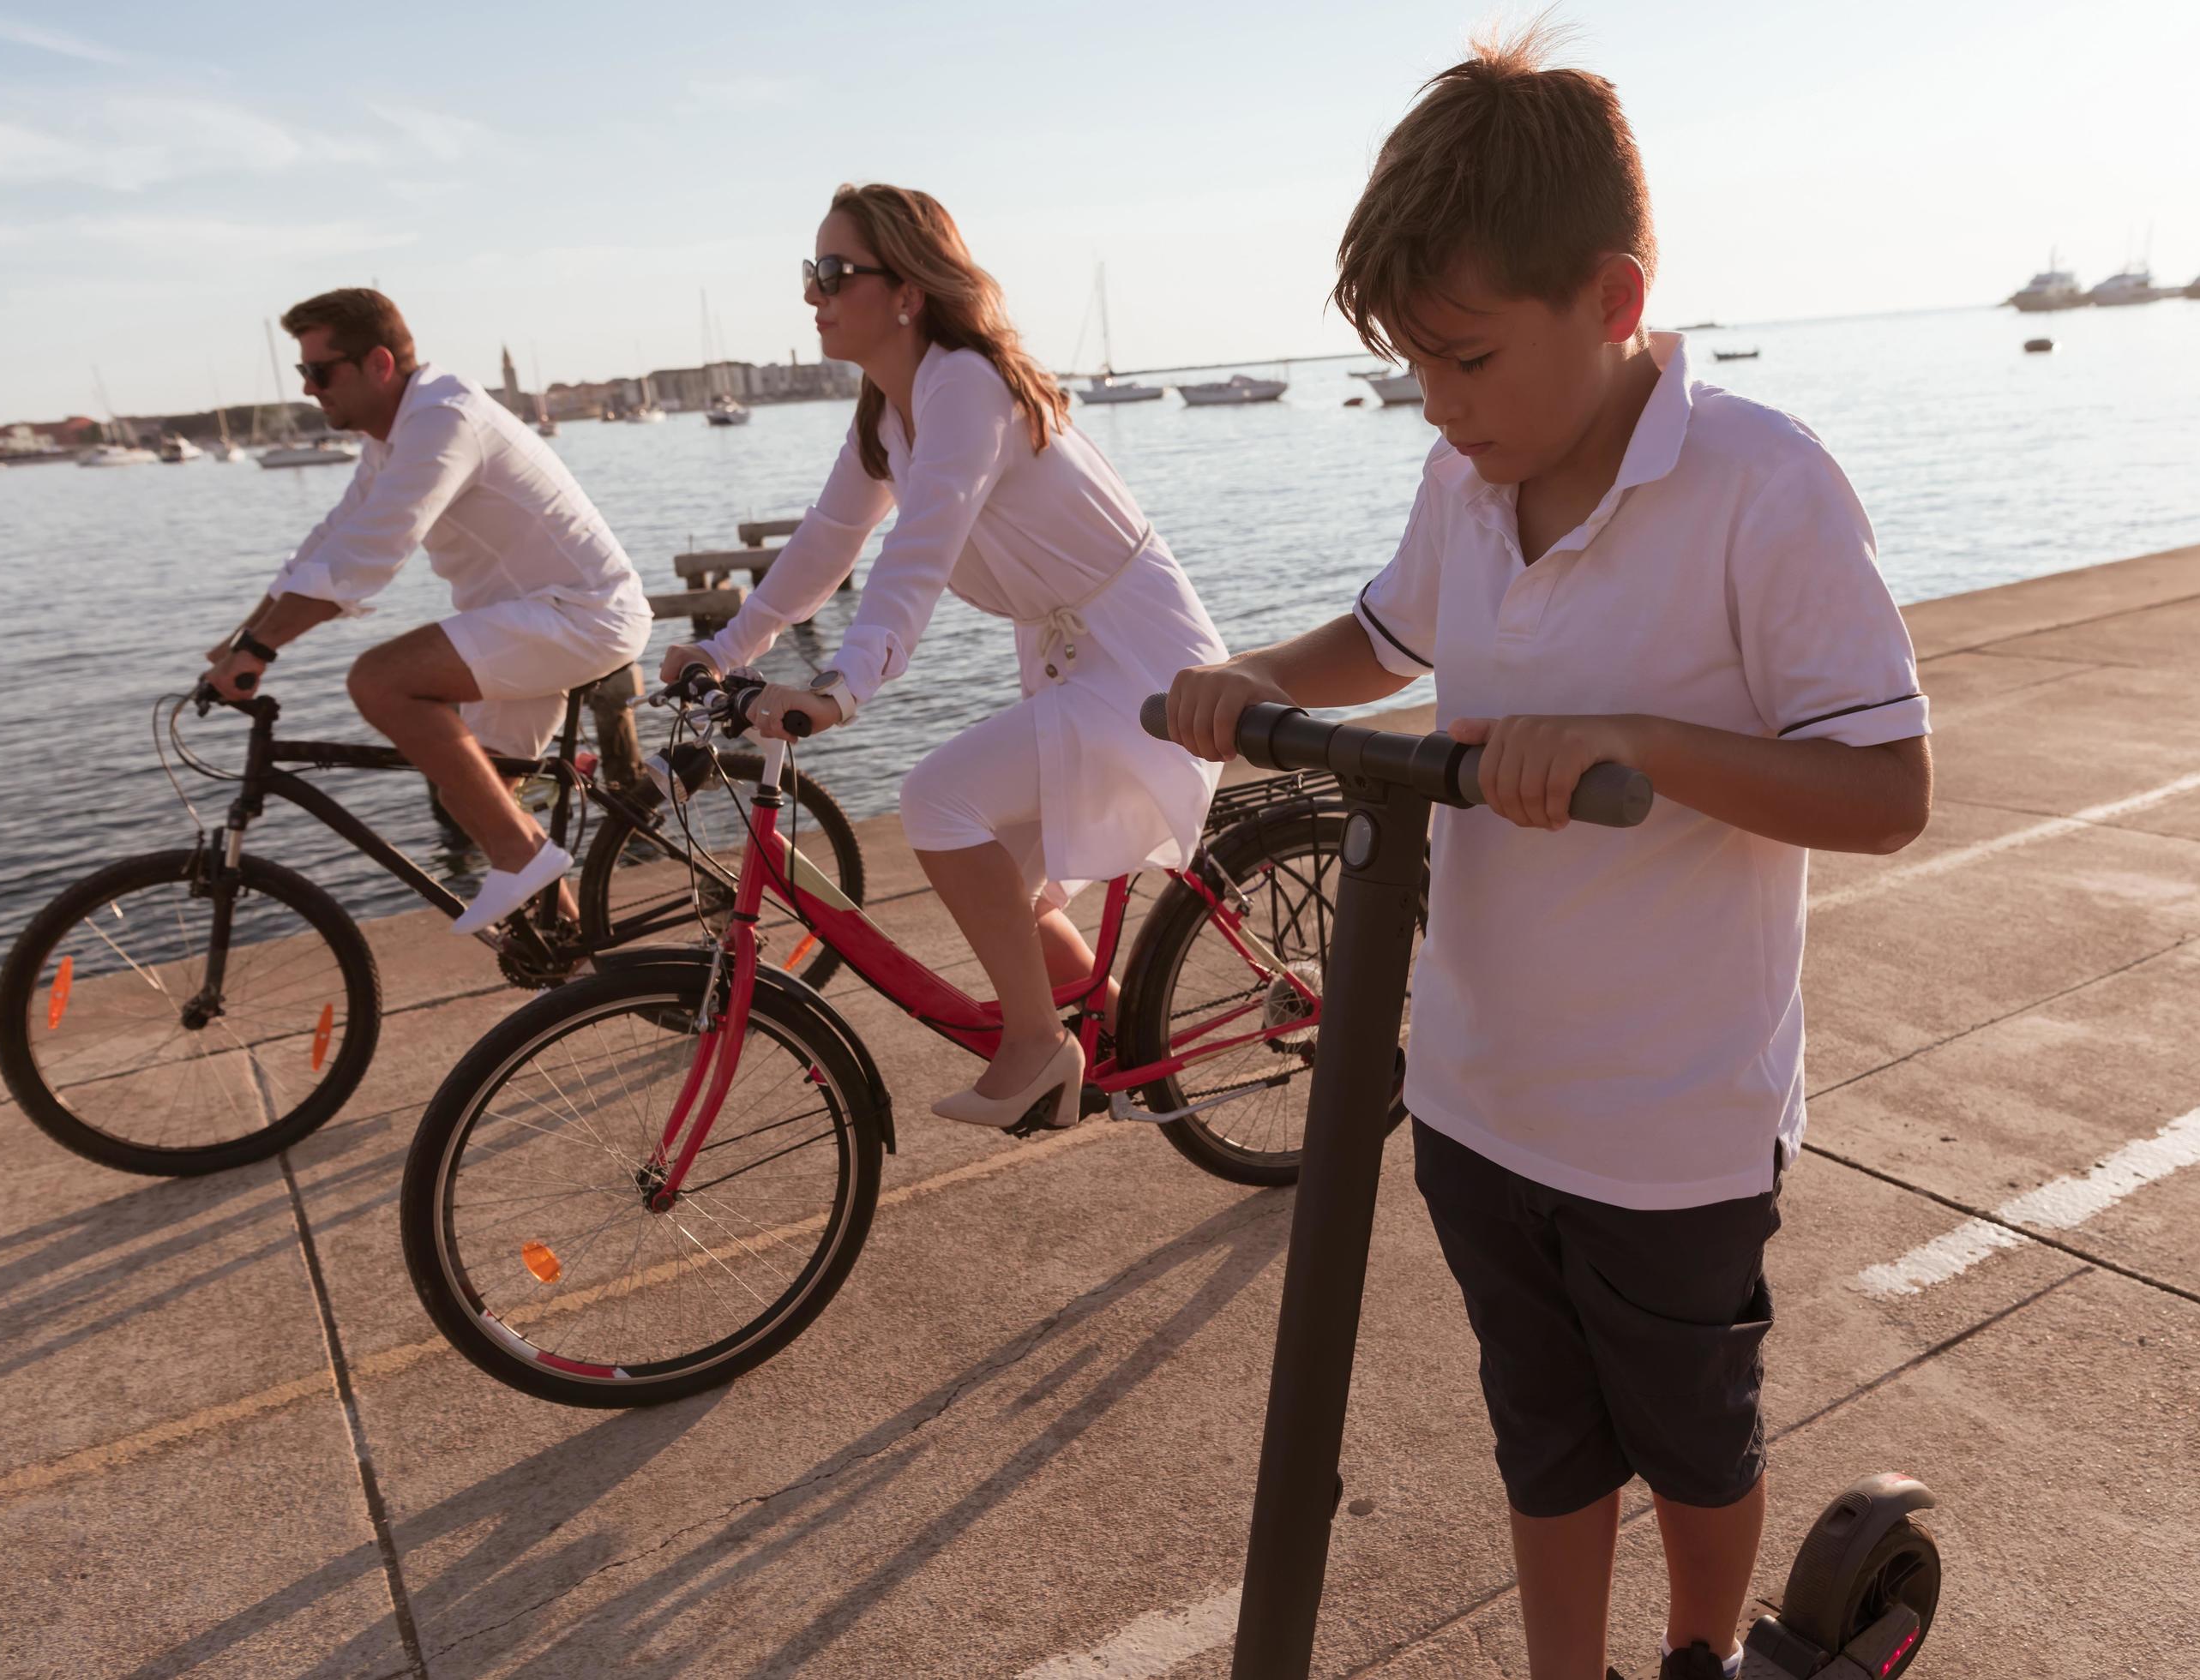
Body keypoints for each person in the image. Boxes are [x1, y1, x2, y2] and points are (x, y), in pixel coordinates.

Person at [1164, 32, 1932, 1680]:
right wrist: (1256, 685)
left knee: (1691, 1439)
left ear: (1612, 297)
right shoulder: (1468, 477)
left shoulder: (1761, 487)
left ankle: (1701, 1657)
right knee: (1543, 1437)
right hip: (1476, 1094)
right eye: (1414, 373)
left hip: (1670, 1120)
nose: (1440, 409)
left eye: (1467, 361)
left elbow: (1884, 791)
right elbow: (1384, 635)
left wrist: (1635, 748)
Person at [664, 183, 1226, 1129]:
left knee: (936, 800)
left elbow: (915, 556)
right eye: (811, 273)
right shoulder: (890, 414)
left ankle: (1038, 1045)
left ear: (908, 290)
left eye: (835, 273)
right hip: (1073, 655)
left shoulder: (965, 384)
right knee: (1008, 877)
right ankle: (1130, 1049)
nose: (814, 294)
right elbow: (827, 544)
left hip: (1142, 664)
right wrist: (723, 649)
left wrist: (844, 689)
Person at [201, 289, 652, 933]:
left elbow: (370, 554)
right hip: (528, 625)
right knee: (470, 791)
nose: (308, 389)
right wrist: (244, 637)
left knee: (380, 680)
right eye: (304, 373)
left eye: (318, 371)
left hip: (580, 616)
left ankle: (522, 859)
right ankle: (576, 961)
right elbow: (328, 542)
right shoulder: (391, 438)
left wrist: (262, 650)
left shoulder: (444, 420)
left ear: (378, 364)